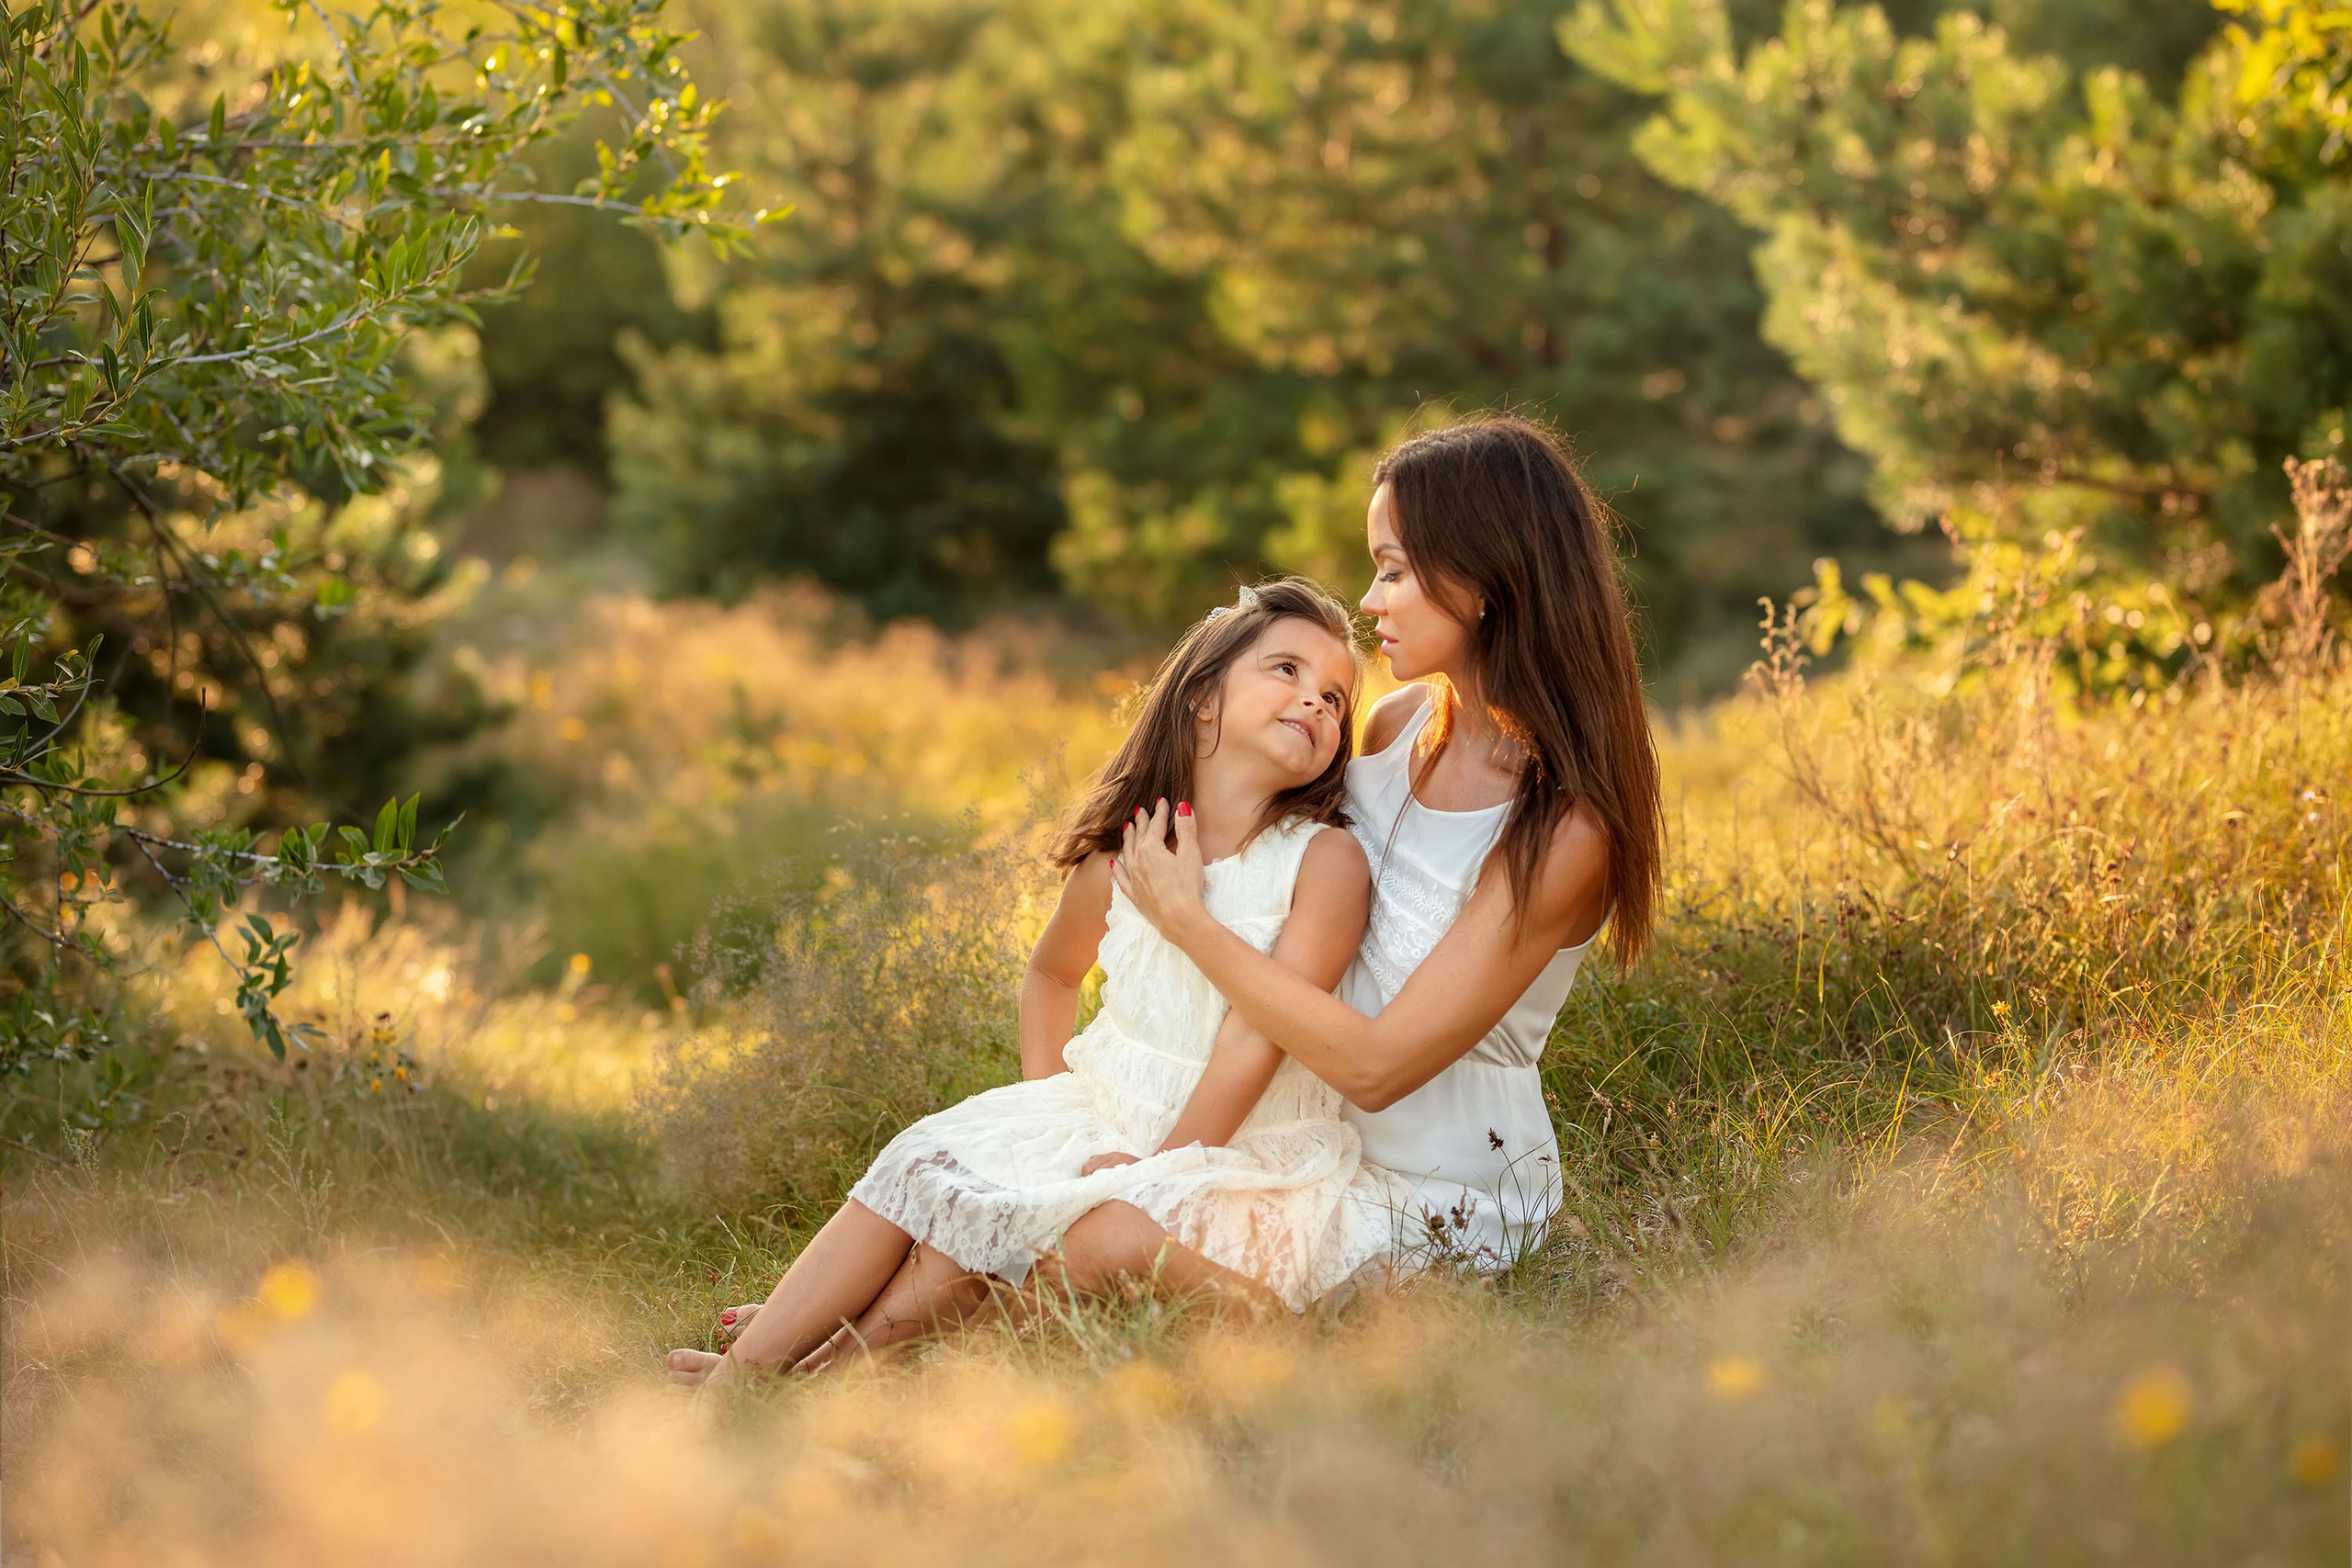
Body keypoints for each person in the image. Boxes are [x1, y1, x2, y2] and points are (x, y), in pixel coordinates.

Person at [667, 578, 1389, 1394]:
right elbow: (1051, 971)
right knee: (929, 1164)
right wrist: (1049, 1103)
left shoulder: (1322, 862)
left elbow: (1260, 1032)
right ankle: (754, 1367)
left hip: (1240, 1143)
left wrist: (1162, 1167)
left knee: (1004, 1221)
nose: (1316, 701)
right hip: (1109, 1104)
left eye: (1336, 696)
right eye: (1286, 670)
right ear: (1202, 699)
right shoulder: (1124, 856)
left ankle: (820, 1373)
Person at [1091, 414, 1662, 1279]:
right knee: (1020, 1202)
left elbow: (1376, 1064)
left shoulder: (1565, 828)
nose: (1369, 599)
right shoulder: (1394, 724)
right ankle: (821, 1373)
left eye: (1393, 569)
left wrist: (1188, 923)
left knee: (1103, 1240)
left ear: (1482, 580)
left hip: (1439, 1192)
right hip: (1298, 1136)